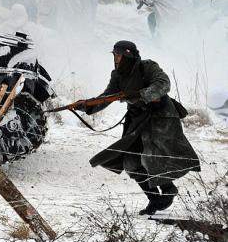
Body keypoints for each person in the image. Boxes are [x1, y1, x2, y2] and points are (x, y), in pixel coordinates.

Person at [78, 41, 200, 215]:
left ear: (128, 56)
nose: (116, 59)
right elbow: (108, 97)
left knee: (152, 157)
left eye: (119, 55)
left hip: (161, 117)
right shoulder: (117, 75)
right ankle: (155, 199)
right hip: (138, 119)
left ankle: (167, 190)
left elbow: (163, 84)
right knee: (131, 162)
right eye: (115, 55)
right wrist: (86, 105)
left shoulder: (148, 67)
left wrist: (142, 94)